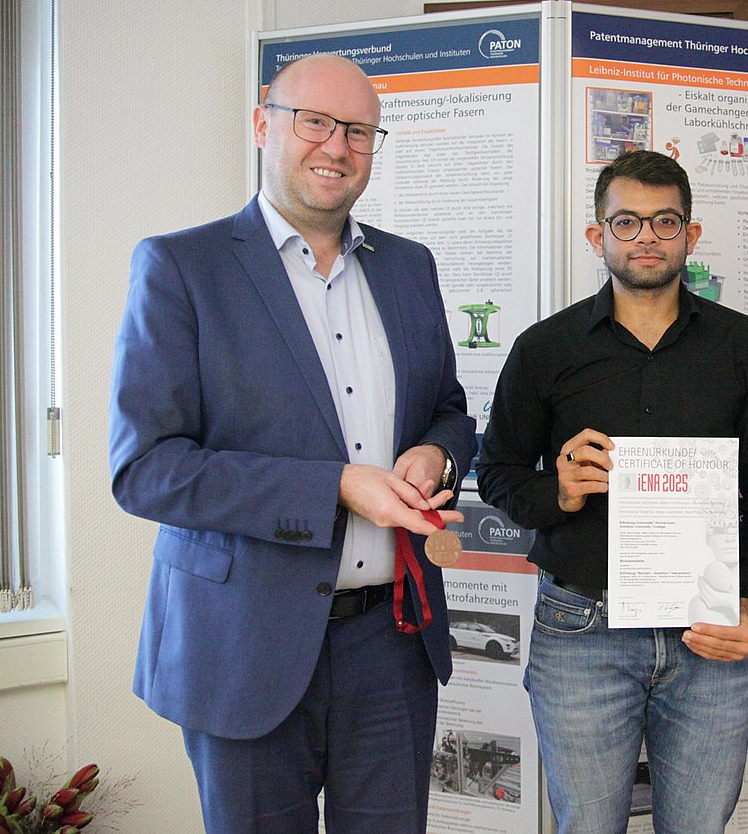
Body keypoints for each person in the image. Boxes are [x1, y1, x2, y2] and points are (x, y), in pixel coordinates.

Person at [109, 54, 476, 833]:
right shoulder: (182, 267)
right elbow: (146, 469)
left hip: (392, 643)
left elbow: (449, 408)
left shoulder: (409, 268)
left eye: (360, 131)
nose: (337, 147)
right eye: (315, 122)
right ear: (261, 124)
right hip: (242, 647)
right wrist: (337, 487)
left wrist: (437, 454)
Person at [477, 150, 748, 832]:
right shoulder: (546, 348)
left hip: (711, 634)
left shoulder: (743, 346)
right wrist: (559, 492)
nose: (647, 236)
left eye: (665, 221)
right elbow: (499, 470)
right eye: (627, 222)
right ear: (598, 236)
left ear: (691, 234)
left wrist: (747, 604)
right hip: (582, 632)